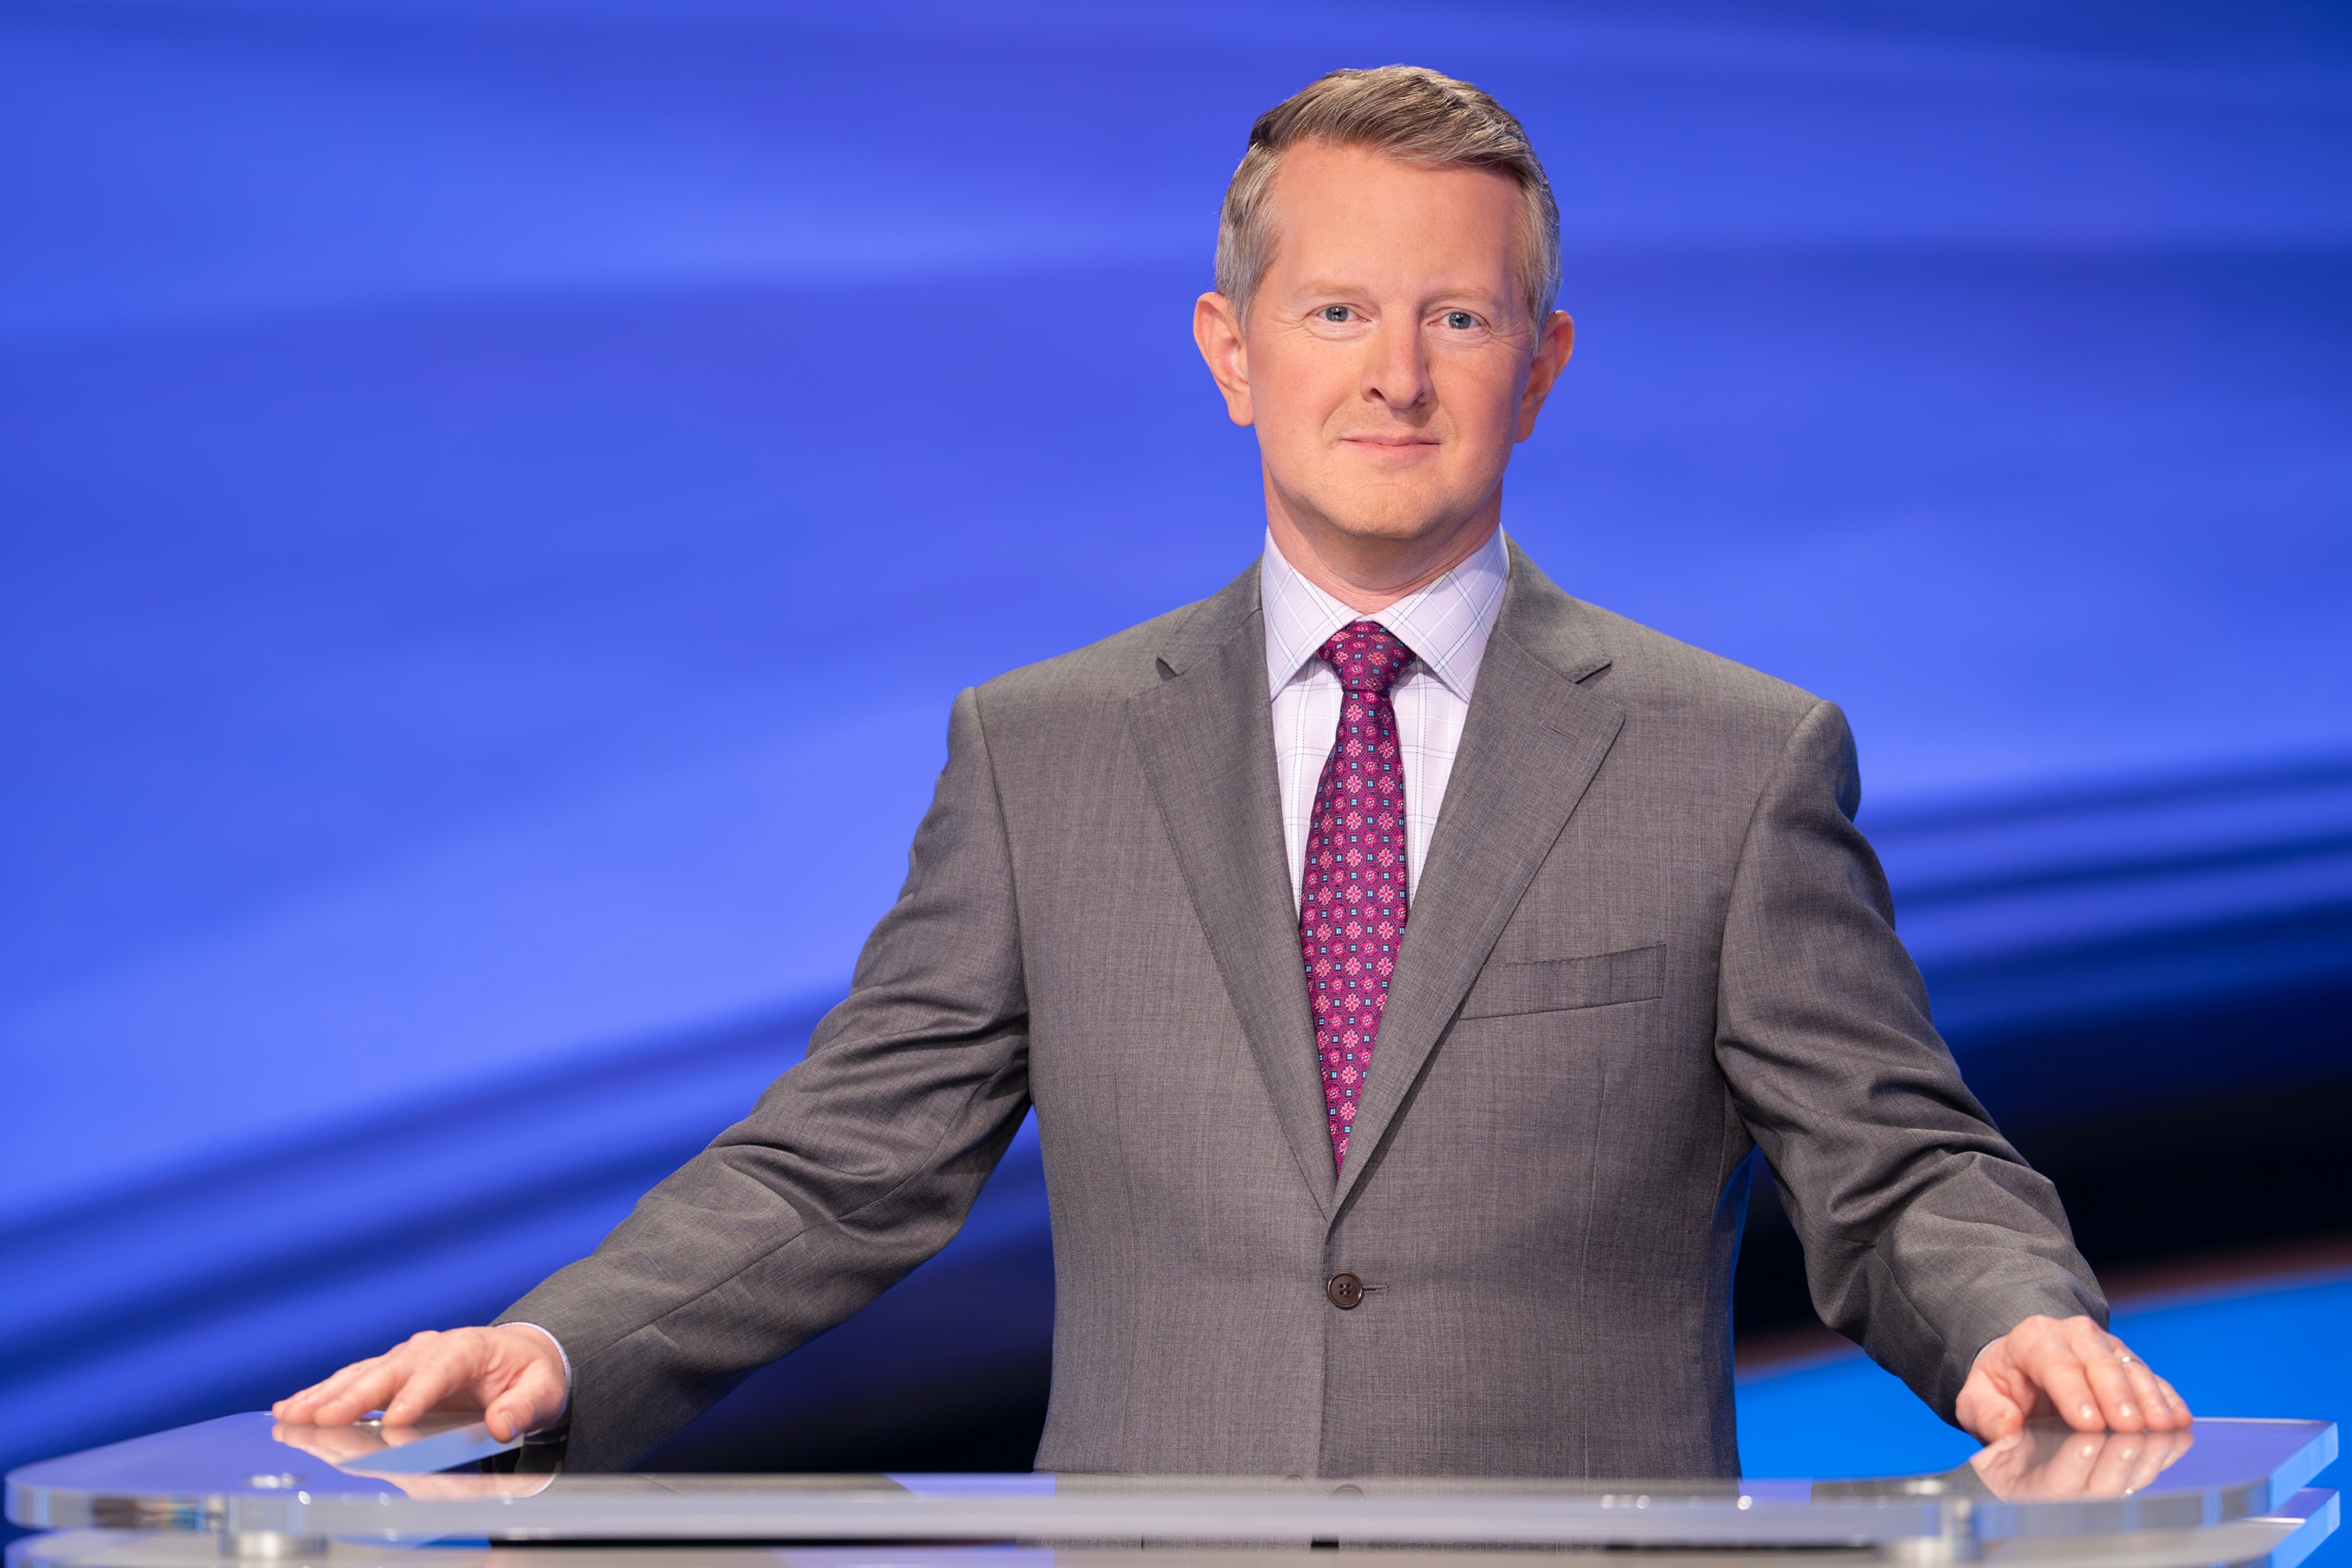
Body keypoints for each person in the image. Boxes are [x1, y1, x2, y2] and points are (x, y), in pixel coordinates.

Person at [276, 66, 2187, 1478]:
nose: (1396, 375)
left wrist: (2017, 1316)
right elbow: (843, 1161)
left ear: (1542, 364)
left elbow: (1900, 1163)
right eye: (1337, 311)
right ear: (1233, 351)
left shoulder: (1735, 761)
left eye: (1457, 317)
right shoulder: (1041, 755)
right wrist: (559, 1344)